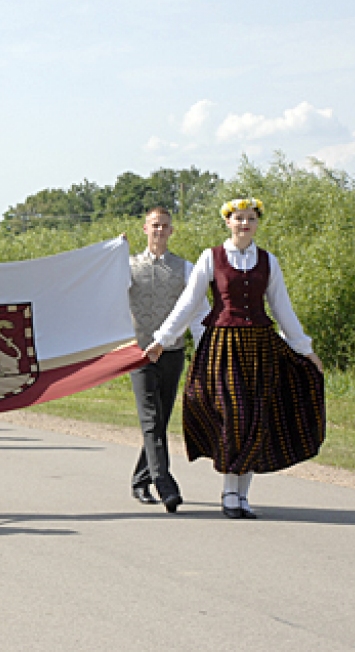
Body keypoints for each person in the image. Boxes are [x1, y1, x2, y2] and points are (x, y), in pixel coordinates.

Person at [145, 197, 325, 519]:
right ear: (228, 222)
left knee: (255, 418)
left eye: (250, 219)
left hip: (259, 348)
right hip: (223, 348)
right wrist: (162, 338)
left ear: (257, 224)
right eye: (239, 218)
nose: (244, 224)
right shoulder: (211, 258)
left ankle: (243, 495)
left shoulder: (268, 261)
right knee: (234, 417)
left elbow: (283, 309)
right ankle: (229, 491)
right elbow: (188, 303)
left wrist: (305, 349)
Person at [125, 208, 208, 513]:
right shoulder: (128, 267)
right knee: (150, 418)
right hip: (140, 353)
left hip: (172, 352)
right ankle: (164, 483)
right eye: (154, 225)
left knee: (160, 418)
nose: (159, 230)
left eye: (165, 226)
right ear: (144, 229)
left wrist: (205, 350)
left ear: (172, 231)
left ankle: (139, 479)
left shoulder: (186, 268)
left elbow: (199, 311)